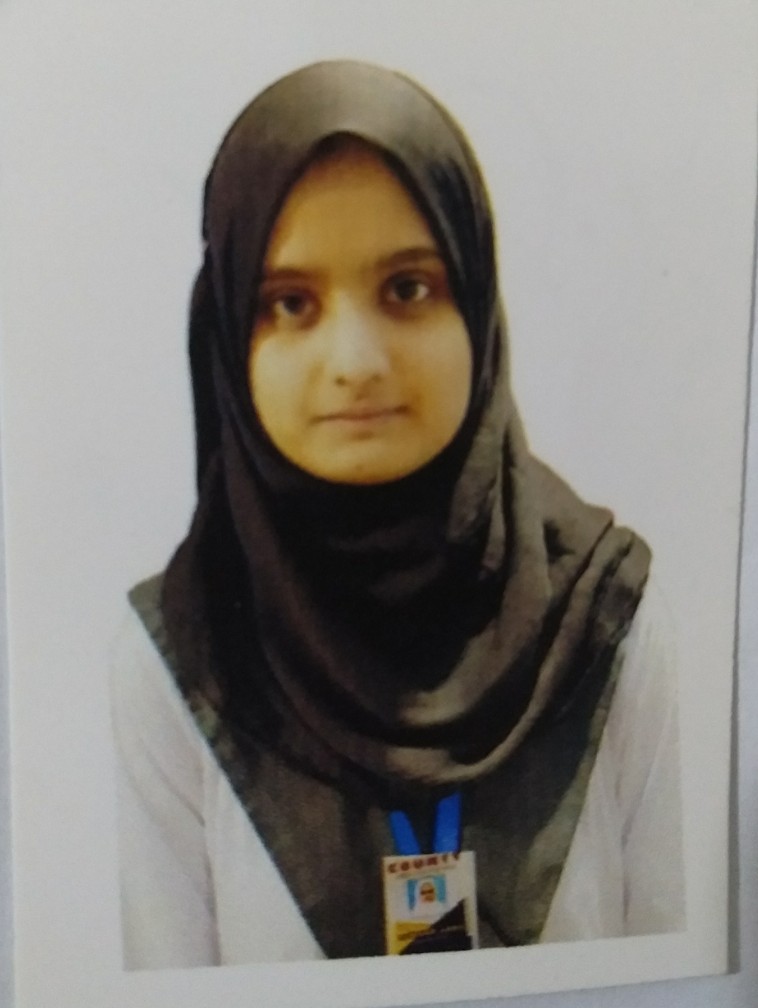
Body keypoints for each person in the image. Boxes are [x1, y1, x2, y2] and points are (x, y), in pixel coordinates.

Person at [111, 59, 684, 970]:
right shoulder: (179, 659)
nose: (355, 360)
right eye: (290, 303)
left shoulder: (606, 619)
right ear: (227, 333)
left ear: (476, 300)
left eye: (408, 289)